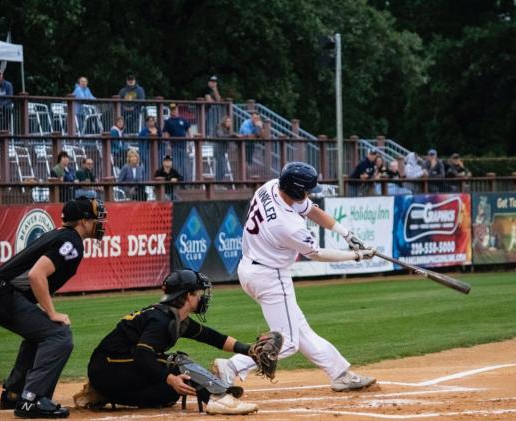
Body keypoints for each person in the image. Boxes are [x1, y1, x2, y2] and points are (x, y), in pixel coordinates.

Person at [212, 162, 377, 392]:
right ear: (297, 190)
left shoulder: (270, 187)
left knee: (300, 329)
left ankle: (339, 373)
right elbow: (317, 254)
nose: (309, 193)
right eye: (307, 190)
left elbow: (311, 209)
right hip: (270, 277)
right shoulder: (288, 225)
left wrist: (346, 233)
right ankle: (233, 366)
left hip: (250, 268)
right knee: (287, 342)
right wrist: (356, 256)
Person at [0, 198, 107, 418]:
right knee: (59, 336)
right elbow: (36, 275)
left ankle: (14, 393)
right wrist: (52, 312)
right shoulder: (72, 242)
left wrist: (46, 312)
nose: (100, 224)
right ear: (83, 221)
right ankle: (31, 399)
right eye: (96, 219)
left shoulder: (62, 235)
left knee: (41, 333)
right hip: (2, 294)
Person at [80, 269, 258, 415]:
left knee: (171, 392)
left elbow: (213, 338)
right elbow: (142, 356)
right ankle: (218, 398)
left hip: (112, 373)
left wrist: (250, 350)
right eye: (198, 293)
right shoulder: (161, 320)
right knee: (176, 363)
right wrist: (169, 377)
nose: (201, 298)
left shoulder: (175, 317)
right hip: (108, 367)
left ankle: (103, 394)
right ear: (188, 295)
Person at [162, 103, 191, 179]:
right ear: (170, 111)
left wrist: (190, 142)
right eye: (172, 110)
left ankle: (186, 182)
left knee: (185, 164)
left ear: (177, 110)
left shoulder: (183, 120)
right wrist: (168, 144)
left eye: (175, 109)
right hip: (174, 146)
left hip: (184, 145)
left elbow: (188, 131)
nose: (174, 111)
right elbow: (166, 133)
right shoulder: (168, 121)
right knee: (176, 164)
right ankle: (176, 181)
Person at [213, 115, 236, 181]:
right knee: (222, 167)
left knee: (221, 167)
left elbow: (227, 140)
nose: (229, 123)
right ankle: (218, 183)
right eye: (228, 121)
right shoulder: (219, 127)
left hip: (222, 151)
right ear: (224, 121)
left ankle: (218, 183)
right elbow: (221, 136)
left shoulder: (227, 129)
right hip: (218, 150)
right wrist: (231, 136)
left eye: (230, 121)